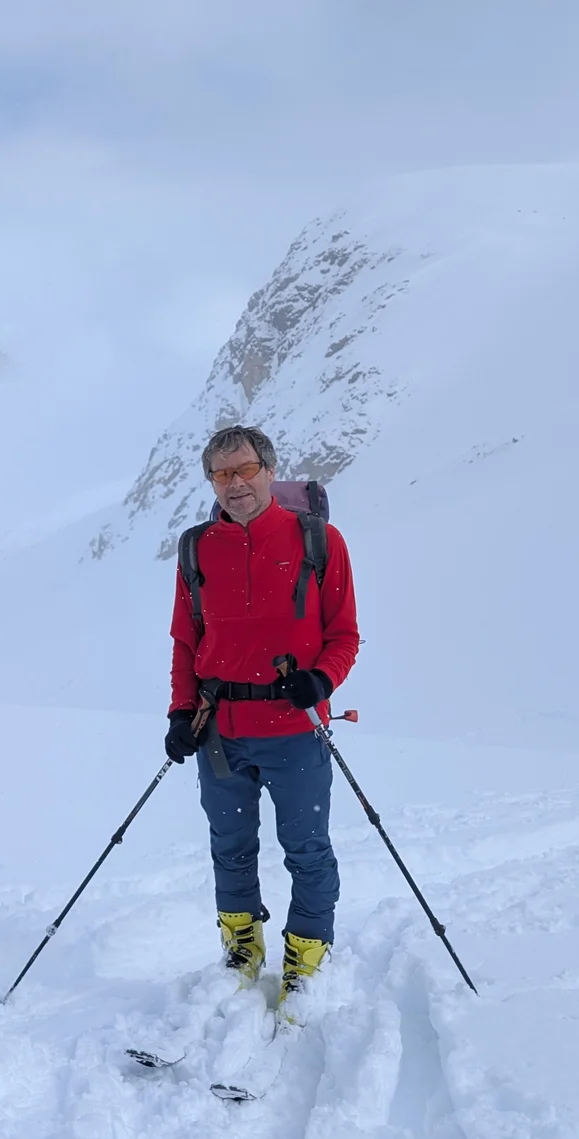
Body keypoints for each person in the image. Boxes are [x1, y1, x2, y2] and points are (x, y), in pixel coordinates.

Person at [164, 424, 359, 1017]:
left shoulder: (320, 541)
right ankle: (242, 951)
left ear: (270, 470)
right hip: (219, 730)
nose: (235, 484)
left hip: (296, 729)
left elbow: (344, 635)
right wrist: (179, 712)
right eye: (222, 474)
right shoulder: (197, 548)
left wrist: (320, 681)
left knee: (306, 848)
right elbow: (184, 641)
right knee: (230, 848)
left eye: (245, 469)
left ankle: (306, 955)